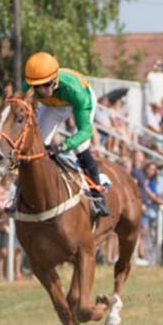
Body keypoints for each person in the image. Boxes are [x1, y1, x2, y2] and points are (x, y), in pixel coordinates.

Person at [24, 51, 110, 218]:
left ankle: (98, 195)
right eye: (36, 86)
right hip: (52, 106)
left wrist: (63, 145)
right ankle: (20, 193)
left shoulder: (77, 92)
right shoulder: (30, 84)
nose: (41, 90)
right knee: (37, 146)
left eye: (46, 84)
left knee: (80, 147)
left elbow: (86, 131)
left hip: (76, 101)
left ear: (55, 79)